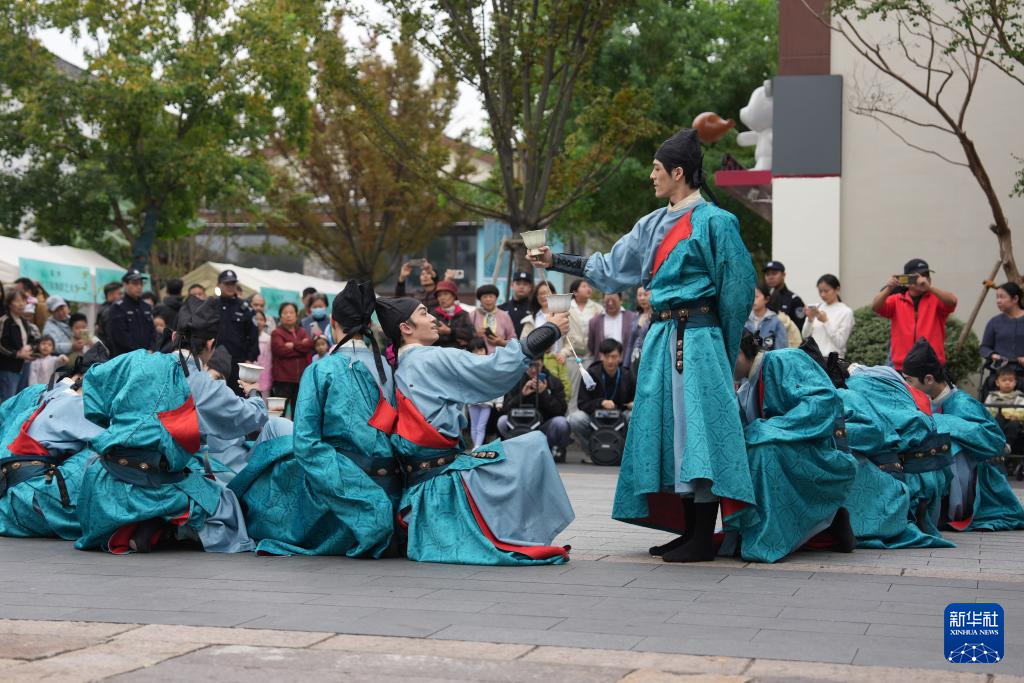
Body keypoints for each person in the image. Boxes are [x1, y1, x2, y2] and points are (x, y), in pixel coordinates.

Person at [531, 127, 757, 563]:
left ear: (678, 172)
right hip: (661, 339)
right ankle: (688, 530)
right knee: (670, 433)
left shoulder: (716, 222)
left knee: (698, 433)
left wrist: (725, 347)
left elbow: (737, 289)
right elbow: (610, 268)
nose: (651, 176)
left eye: (656, 169)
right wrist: (555, 260)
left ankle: (701, 535)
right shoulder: (650, 224)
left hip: (700, 337)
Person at [377, 296, 574, 565]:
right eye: (424, 313)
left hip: (416, 494)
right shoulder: (430, 358)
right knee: (534, 445)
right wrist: (548, 331)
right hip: (445, 484)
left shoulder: (394, 366)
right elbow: (492, 369)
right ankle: (520, 533)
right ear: (406, 328)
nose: (434, 318)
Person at [75, 296, 262, 554]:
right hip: (153, 482)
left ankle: (146, 525)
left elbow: (94, 380)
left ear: (173, 336)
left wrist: (115, 422)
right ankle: (162, 526)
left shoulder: (136, 360)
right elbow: (249, 417)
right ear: (210, 344)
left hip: (103, 479)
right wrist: (255, 394)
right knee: (224, 503)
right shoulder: (200, 383)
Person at [229, 281, 400, 557]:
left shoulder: (321, 369)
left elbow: (306, 442)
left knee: (269, 464)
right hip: (386, 485)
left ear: (332, 323)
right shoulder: (388, 370)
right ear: (368, 325)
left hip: (338, 500)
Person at [724, 334, 857, 563]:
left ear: (738, 352)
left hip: (819, 453)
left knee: (763, 450)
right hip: (790, 453)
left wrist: (766, 430)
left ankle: (767, 540)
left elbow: (823, 401)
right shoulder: (744, 391)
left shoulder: (784, 359)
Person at [901, 339, 1024, 532]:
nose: (907, 386)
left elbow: (996, 441)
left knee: (952, 445)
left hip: (973, 481)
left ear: (929, 379)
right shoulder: (923, 401)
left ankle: (950, 510)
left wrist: (945, 423)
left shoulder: (963, 403)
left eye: (910, 380)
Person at [0, 346, 108, 540]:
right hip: (31, 500)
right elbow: (115, 440)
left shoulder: (36, 392)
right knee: (103, 453)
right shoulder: (83, 405)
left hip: (5, 498)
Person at [872, 258, 958, 370]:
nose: (923, 279)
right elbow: (876, 307)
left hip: (932, 364)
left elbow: (952, 301)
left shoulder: (936, 299)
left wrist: (929, 288)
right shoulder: (897, 300)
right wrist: (889, 289)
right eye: (918, 277)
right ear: (907, 280)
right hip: (902, 366)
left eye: (926, 275)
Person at [569, 339, 636, 455]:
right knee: (575, 419)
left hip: (620, 415)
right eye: (606, 356)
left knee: (634, 416)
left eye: (614, 357)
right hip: (595, 417)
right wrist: (601, 403)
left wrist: (632, 404)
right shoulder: (590, 373)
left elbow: (635, 399)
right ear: (601, 356)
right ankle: (592, 452)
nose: (610, 361)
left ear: (620, 357)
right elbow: (582, 403)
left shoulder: (627, 374)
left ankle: (624, 453)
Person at [497, 357, 571, 461]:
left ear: (542, 363)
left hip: (544, 426)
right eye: (529, 365)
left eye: (536, 365)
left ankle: (552, 450)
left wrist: (544, 393)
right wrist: (522, 395)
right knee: (502, 421)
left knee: (561, 422)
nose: (533, 370)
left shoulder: (553, 381)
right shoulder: (516, 380)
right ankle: (516, 449)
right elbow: (506, 408)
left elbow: (561, 410)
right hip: (520, 426)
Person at [559, 279, 603, 412]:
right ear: (575, 292)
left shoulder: (597, 308)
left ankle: (583, 417)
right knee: (571, 388)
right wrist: (562, 352)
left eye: (589, 286)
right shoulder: (566, 308)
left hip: (590, 356)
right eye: (584, 286)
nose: (588, 289)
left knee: (588, 388)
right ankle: (569, 416)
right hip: (571, 355)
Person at [213, 269, 260, 395]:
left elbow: (253, 335)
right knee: (215, 396)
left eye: (233, 283)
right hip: (214, 362)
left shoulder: (245, 308)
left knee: (237, 397)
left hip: (238, 363)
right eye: (227, 283)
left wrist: (250, 359)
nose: (230, 286)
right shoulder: (211, 305)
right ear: (218, 285)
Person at [270, 302, 313, 416]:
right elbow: (280, 350)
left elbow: (309, 345)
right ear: (280, 316)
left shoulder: (302, 331)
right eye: (285, 313)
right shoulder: (276, 333)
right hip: (282, 379)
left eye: (291, 312)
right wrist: (300, 346)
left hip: (300, 379)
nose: (288, 315)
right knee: (277, 413)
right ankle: (274, 428)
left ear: (296, 315)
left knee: (298, 413)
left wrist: (292, 345)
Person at [0, 290, 40, 401]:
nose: (21, 304)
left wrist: (30, 348)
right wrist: (17, 354)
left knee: (20, 398)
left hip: (24, 364)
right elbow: (2, 344)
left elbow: (32, 339)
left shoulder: (24, 321)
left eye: (23, 300)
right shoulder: (5, 321)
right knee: (8, 399)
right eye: (17, 301)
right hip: (9, 366)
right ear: (9, 304)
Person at [106, 269, 156, 357]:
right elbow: (121, 337)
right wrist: (140, 353)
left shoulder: (146, 307)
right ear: (125, 285)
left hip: (148, 356)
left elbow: (153, 332)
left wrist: (151, 349)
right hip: (127, 358)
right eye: (135, 283)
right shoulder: (118, 307)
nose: (139, 287)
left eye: (141, 283)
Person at [802, 274, 855, 357]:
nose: (822, 294)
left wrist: (826, 321)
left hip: (832, 361)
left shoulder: (845, 312)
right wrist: (810, 319)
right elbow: (805, 336)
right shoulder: (817, 308)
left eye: (826, 291)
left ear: (837, 289)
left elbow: (840, 343)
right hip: (814, 358)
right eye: (820, 291)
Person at [587, 292, 637, 371]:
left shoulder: (632, 318)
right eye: (607, 301)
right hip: (602, 366)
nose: (610, 303)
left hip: (626, 365)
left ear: (620, 300)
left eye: (613, 300)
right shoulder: (595, 321)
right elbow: (591, 346)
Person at [979, 282, 1024, 367]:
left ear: (1015, 299)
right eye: (997, 297)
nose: (998, 301)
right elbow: (984, 347)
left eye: (1002, 297)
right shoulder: (994, 322)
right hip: (1000, 372)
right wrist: (992, 355)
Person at [466, 337, 497, 448]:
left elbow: (496, 383)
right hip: (473, 400)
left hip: (486, 400)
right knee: (474, 426)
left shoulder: (490, 364)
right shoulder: (468, 365)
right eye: (475, 351)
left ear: (485, 349)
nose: (479, 353)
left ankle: (477, 447)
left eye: (480, 349)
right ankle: (476, 447)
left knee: (481, 426)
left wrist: (498, 401)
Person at [762, 261, 807, 331]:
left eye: (774, 273)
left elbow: (800, 327)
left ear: (783, 275)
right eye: (767, 274)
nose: (770, 277)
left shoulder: (794, 299)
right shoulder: (765, 298)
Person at [471, 284, 515, 354]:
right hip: (478, 356)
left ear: (496, 298)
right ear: (480, 300)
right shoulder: (472, 315)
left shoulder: (504, 316)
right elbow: (464, 338)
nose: (488, 299)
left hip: (500, 356)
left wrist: (501, 342)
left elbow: (513, 340)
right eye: (485, 297)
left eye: (491, 296)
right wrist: (475, 335)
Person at [432, 280, 474, 349]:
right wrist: (457, 337)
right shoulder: (433, 315)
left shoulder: (463, 314)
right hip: (438, 352)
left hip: (459, 352)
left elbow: (470, 333)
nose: (442, 298)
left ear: (454, 296)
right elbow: (429, 335)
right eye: (439, 295)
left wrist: (450, 331)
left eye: (445, 294)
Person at [745, 285, 789, 350]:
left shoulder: (776, 322)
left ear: (766, 299)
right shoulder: (744, 320)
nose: (753, 299)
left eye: (756, 296)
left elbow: (781, 349)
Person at [628, 287, 653, 378]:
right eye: (639, 295)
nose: (642, 298)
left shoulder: (658, 316)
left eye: (645, 295)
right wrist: (625, 365)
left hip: (650, 359)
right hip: (634, 359)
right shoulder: (635, 316)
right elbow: (630, 343)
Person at [500, 271, 534, 337]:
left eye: (525, 284)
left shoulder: (535, 307)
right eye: (518, 284)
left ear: (530, 287)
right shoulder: (502, 308)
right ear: (512, 285)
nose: (521, 287)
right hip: (505, 343)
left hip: (528, 342)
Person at [94, 281, 122, 348]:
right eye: (119, 294)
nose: (122, 297)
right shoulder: (109, 311)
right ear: (110, 294)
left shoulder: (104, 308)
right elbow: (111, 336)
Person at [254, 310, 273, 395]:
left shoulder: (269, 339)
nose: (258, 322)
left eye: (261, 319)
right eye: (256, 319)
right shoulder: (244, 339)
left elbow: (269, 362)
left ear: (265, 322)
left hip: (264, 377)